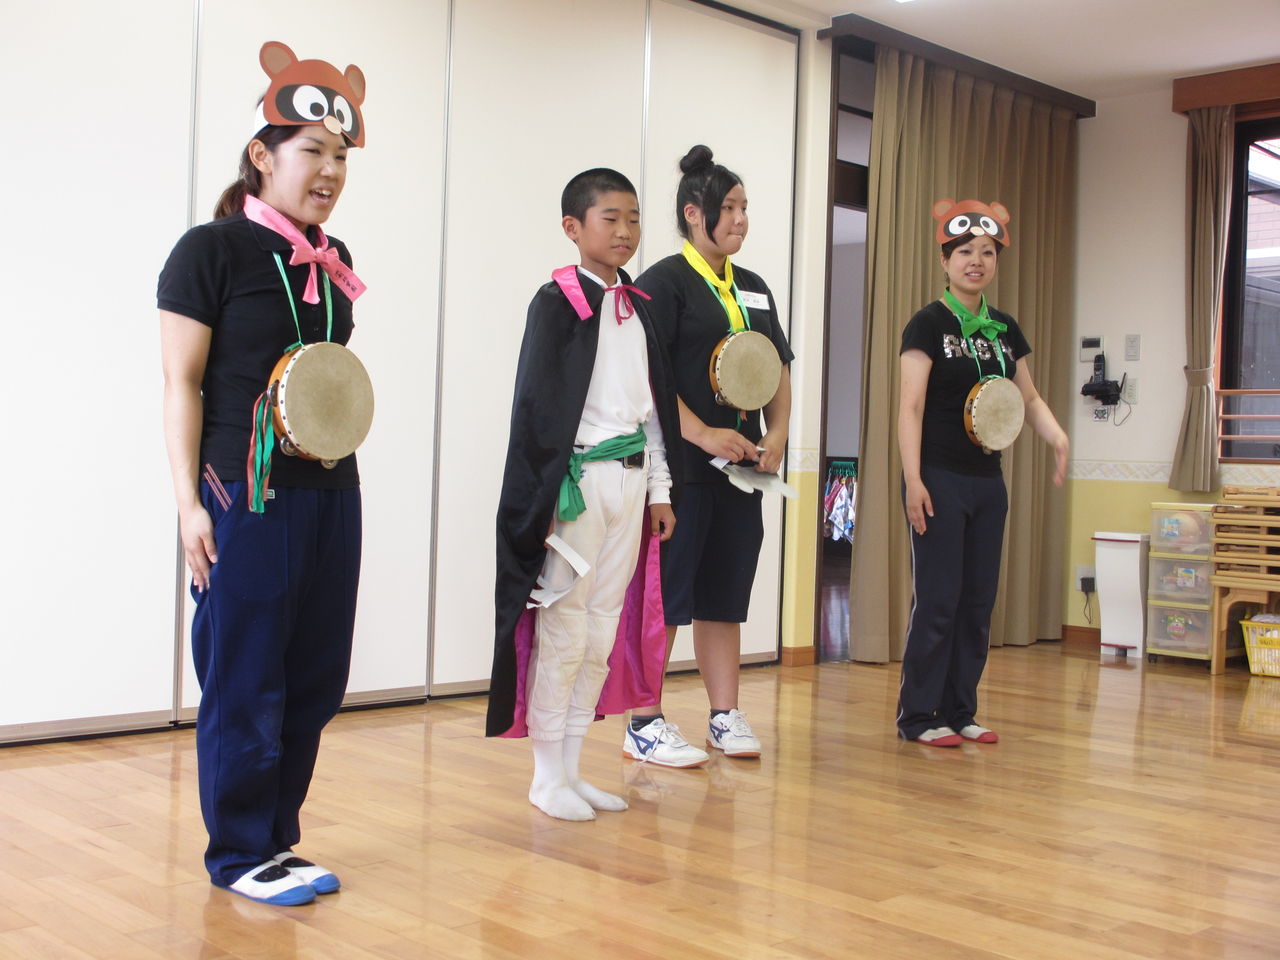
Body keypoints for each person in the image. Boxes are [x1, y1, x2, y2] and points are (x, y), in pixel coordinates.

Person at [158, 42, 369, 904]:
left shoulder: (332, 257)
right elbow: (181, 383)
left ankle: (277, 840)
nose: (330, 171)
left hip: (332, 485)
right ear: (262, 155)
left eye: (341, 156)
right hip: (241, 491)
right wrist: (188, 505)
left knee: (315, 674)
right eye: (312, 151)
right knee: (246, 674)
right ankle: (238, 852)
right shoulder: (208, 250)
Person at [488, 168, 680, 821]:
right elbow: (535, 410)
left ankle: (573, 769)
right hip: (576, 487)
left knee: (602, 628)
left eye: (634, 218)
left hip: (630, 482)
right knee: (565, 627)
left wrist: (660, 488)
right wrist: (540, 500)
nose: (625, 230)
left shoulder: (638, 308)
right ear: (573, 228)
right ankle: (546, 776)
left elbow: (654, 410)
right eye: (610, 218)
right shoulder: (556, 304)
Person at [623, 145, 793, 767]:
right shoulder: (662, 283)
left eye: (745, 207)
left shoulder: (755, 288)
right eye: (730, 208)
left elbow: (777, 368)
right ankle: (644, 721)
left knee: (725, 594)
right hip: (680, 469)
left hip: (742, 470)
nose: (741, 219)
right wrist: (701, 434)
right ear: (694, 214)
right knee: (668, 596)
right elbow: (647, 376)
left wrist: (777, 434)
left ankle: (724, 716)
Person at [896, 198, 1069, 747]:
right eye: (965, 251)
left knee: (976, 602)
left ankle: (960, 709)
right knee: (939, 599)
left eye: (987, 252)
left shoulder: (1003, 329)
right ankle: (919, 715)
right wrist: (913, 479)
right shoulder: (928, 323)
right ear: (945, 260)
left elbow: (1029, 397)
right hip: (938, 477)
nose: (977, 261)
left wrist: (1058, 437)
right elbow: (910, 407)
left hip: (987, 482)